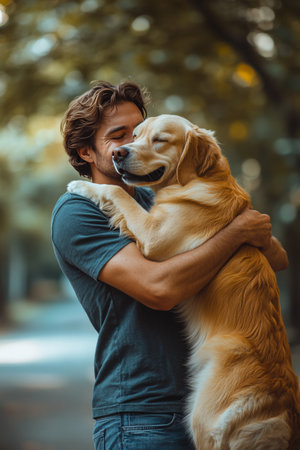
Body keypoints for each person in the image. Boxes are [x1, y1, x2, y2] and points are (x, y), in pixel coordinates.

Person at [51, 80, 288, 450]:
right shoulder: (77, 211)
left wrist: (247, 228)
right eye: (119, 136)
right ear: (85, 152)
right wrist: (236, 231)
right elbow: (159, 289)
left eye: (141, 132)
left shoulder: (163, 200)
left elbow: (276, 257)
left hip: (215, 398)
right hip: (142, 415)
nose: (132, 144)